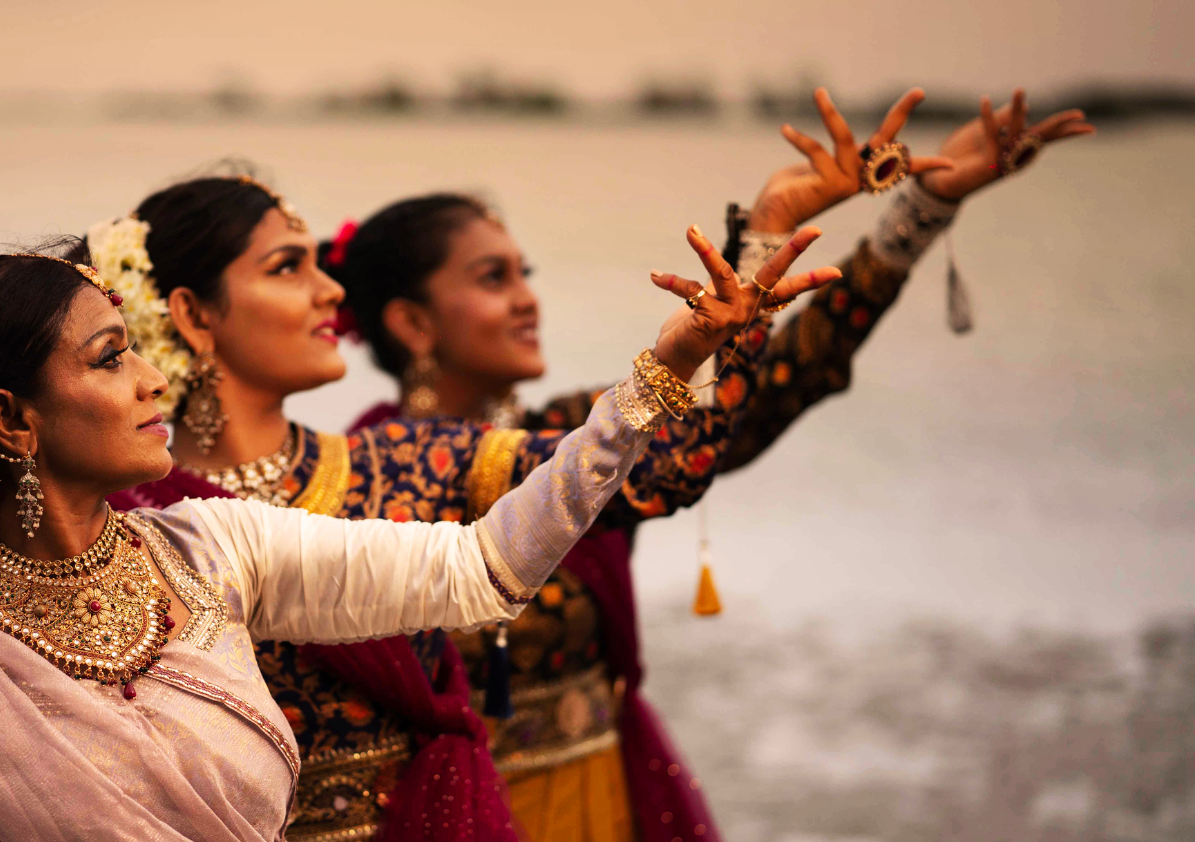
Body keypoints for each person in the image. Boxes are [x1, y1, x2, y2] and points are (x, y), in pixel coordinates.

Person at [0, 231, 835, 841]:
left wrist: (664, 367)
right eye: (108, 358)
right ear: (11, 419)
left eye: (138, 348)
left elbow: (480, 568)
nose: (151, 378)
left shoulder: (210, 551)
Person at [327, 88, 1094, 842]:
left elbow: (752, 399)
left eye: (526, 272)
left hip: (602, 798)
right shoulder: (359, 485)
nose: (529, 299)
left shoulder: (573, 436)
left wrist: (914, 210)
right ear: (412, 322)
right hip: (456, 820)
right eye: (494, 278)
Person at [88, 172, 831, 840]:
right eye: (288, 267)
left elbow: (669, 466)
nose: (333, 292)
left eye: (318, 264)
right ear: (192, 314)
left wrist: (697, 337)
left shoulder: (406, 463)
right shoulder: (115, 521)